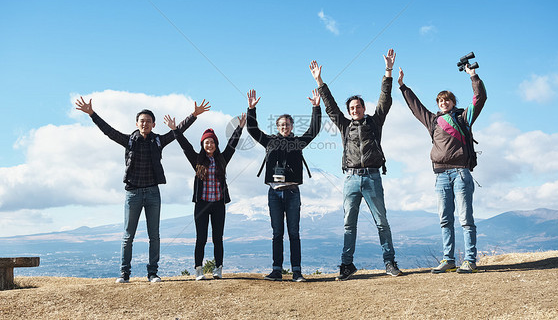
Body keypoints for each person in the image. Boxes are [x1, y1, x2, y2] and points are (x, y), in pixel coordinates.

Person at [75, 96, 210, 283]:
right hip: (133, 193)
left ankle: (152, 273)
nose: (145, 124)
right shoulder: (129, 141)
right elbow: (109, 131)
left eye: (148, 121)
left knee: (154, 235)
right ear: (137, 123)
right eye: (142, 121)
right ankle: (125, 274)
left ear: (153, 124)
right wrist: (92, 114)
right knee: (128, 236)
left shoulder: (158, 141)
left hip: (153, 193)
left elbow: (177, 132)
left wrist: (194, 115)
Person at [309, 49, 402, 281]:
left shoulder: (374, 121)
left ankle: (389, 262)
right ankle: (347, 265)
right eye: (351, 108)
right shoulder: (344, 126)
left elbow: (385, 99)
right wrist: (319, 81)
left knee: (382, 222)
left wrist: (388, 72)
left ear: (363, 108)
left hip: (372, 177)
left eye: (358, 107)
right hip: (350, 179)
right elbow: (330, 107)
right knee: (349, 225)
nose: (355, 110)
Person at [397, 63, 487, 274]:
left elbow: (480, 99)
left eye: (447, 99)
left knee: (466, 219)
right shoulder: (433, 121)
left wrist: (473, 76)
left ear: (453, 102)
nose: (443, 102)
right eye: (440, 100)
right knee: (445, 220)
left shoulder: (463, 117)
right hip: (440, 176)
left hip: (461, 173)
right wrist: (402, 86)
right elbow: (415, 106)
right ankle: (449, 259)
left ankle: (470, 260)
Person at [246, 88, 321, 282]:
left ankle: (296, 271)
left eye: (287, 124)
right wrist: (251, 110)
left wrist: (316, 107)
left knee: (294, 233)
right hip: (274, 192)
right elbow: (252, 130)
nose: (284, 127)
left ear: (292, 126)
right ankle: (277, 270)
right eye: (281, 125)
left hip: (293, 192)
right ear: (277, 126)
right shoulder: (269, 142)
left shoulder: (297, 142)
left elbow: (313, 130)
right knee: (277, 233)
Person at [164, 113, 246, 281]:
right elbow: (186, 146)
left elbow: (232, 145)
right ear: (202, 144)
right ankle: (199, 269)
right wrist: (175, 130)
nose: (210, 144)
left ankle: (218, 268)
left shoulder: (222, 159)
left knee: (218, 238)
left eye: (212, 142)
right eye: (207, 142)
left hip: (218, 204)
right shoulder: (197, 159)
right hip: (201, 204)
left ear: (216, 144)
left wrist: (240, 128)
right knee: (200, 238)